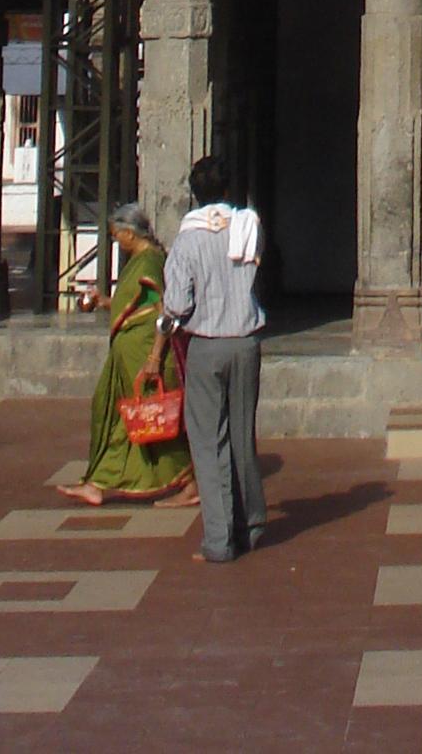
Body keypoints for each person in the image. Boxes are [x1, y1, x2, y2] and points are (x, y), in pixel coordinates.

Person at [148, 156, 266, 565]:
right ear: (228, 190)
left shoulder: (188, 240)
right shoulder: (249, 225)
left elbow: (178, 303)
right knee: (241, 437)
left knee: (207, 441)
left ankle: (219, 539)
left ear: (194, 194)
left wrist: (163, 328)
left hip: (208, 342)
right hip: (246, 341)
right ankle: (250, 523)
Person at [58, 205, 192, 505]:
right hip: (127, 355)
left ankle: (190, 478)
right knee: (114, 415)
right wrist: (105, 302)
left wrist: (155, 357)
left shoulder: (150, 263)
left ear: (130, 233)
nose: (117, 241)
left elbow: (164, 313)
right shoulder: (141, 261)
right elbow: (135, 306)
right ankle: (97, 482)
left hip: (144, 355)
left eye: (118, 236)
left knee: (154, 420)